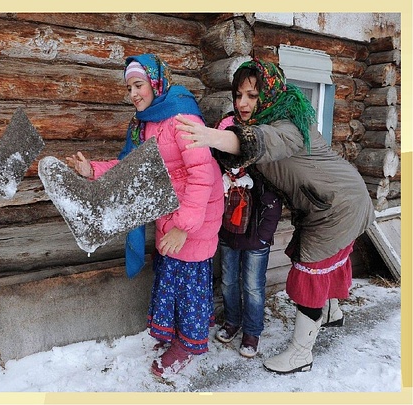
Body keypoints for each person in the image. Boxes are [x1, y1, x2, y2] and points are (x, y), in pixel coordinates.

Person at [175, 58, 375, 374]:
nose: (242, 103)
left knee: (309, 270)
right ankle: (331, 312)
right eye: (238, 94)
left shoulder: (290, 125)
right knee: (322, 261)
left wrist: (210, 137)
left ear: (268, 93)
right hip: (328, 202)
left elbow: (261, 141)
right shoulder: (264, 119)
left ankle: (300, 354)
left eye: (252, 96)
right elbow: (241, 148)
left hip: (337, 206)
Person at [66, 54, 224, 377]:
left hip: (195, 218)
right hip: (170, 216)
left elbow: (203, 174)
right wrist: (91, 169)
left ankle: (188, 344)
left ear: (155, 82)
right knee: (170, 276)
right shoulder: (146, 125)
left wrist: (184, 228)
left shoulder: (182, 117)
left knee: (188, 283)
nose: (133, 94)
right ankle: (173, 333)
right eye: (129, 88)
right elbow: (129, 168)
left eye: (138, 85)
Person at [213, 115, 282, 359]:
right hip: (228, 236)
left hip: (255, 239)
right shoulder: (221, 172)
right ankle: (232, 321)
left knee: (253, 287)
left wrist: (264, 237)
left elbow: (273, 205)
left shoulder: (260, 171)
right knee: (229, 282)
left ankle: (252, 331)